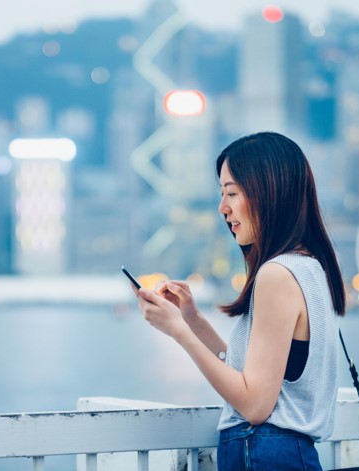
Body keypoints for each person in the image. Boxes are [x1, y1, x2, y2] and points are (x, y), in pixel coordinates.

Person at [134, 131, 346, 470]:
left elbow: (255, 404)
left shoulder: (277, 275)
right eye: (222, 194)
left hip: (264, 453)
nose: (223, 208)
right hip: (287, 454)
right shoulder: (308, 267)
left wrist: (180, 333)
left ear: (268, 192)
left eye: (231, 192)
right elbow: (256, 376)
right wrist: (193, 320)